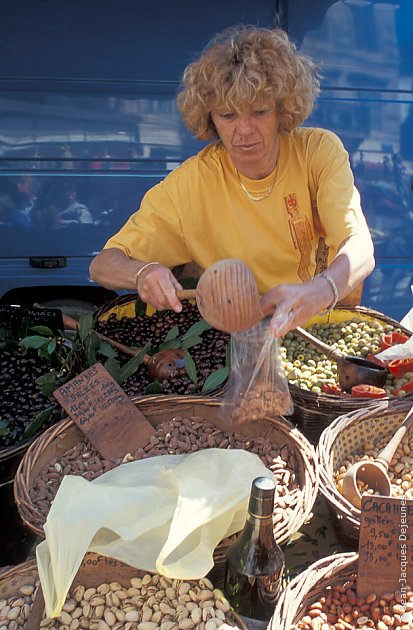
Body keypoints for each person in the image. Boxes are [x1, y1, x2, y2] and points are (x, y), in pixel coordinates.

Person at [89, 26, 375, 337]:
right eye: (227, 115)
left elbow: (360, 248)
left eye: (260, 111)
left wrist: (319, 291)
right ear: (209, 117)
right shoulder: (190, 185)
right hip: (242, 339)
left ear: (283, 108)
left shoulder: (318, 151)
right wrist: (142, 273)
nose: (244, 130)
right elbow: (102, 265)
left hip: (324, 325)